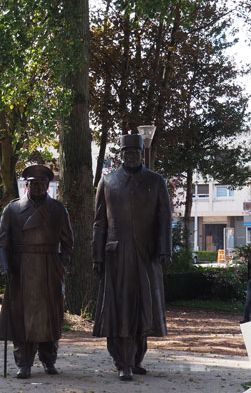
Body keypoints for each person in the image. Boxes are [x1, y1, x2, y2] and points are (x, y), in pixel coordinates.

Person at [92, 134, 172, 381]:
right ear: (121, 154)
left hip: (147, 255)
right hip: (117, 257)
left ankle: (136, 358)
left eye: (135, 152)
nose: (131, 155)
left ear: (140, 153)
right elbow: (99, 223)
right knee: (122, 309)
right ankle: (124, 362)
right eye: (126, 152)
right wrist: (97, 255)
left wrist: (165, 250)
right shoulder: (108, 182)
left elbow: (164, 218)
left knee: (144, 308)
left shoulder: (156, 181)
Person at [0, 164, 74, 379]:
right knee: (23, 318)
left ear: (48, 186)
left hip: (50, 269)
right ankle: (24, 363)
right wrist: (5, 267)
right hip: (22, 270)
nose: (37, 187)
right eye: (32, 184)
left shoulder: (58, 210)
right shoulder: (12, 209)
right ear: (26, 185)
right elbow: (1, 243)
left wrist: (60, 266)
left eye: (41, 184)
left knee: (50, 317)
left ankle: (49, 360)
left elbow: (68, 242)